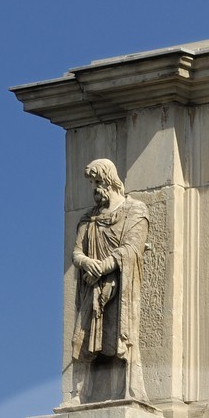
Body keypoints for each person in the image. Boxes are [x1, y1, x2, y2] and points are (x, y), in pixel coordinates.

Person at [71, 158, 150, 401]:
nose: (94, 189)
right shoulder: (88, 219)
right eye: (92, 184)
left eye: (97, 182)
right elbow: (77, 252)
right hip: (92, 286)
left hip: (120, 285)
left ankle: (123, 391)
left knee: (119, 337)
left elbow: (132, 247)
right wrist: (88, 263)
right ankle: (80, 393)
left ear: (109, 181)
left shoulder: (135, 211)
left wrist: (103, 266)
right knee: (82, 338)